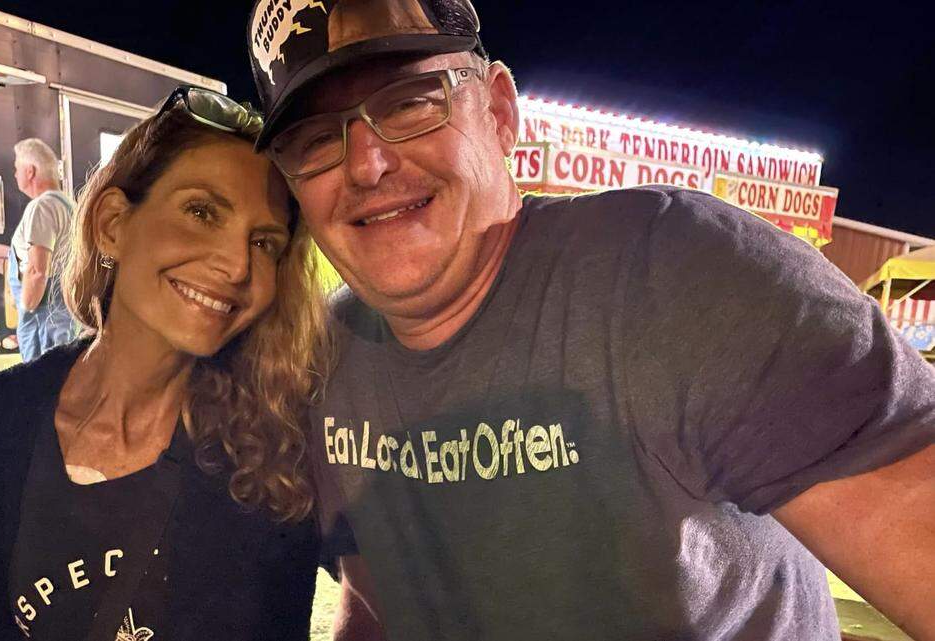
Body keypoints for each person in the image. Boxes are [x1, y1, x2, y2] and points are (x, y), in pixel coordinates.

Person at [244, 1, 935, 640]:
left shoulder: (679, 277)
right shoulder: (324, 362)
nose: (367, 164)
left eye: (408, 102)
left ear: (499, 111)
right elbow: (375, 601)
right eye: (315, 139)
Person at [0, 87, 330, 640]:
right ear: (112, 223)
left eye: (264, 243)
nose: (236, 266)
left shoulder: (269, 466)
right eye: (201, 212)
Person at [8, 138, 77, 362]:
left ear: (30, 171)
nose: (15, 174)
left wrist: (26, 307)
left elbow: (38, 271)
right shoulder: (70, 206)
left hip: (42, 320)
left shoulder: (41, 207)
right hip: (64, 317)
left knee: (39, 379)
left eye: (17, 168)